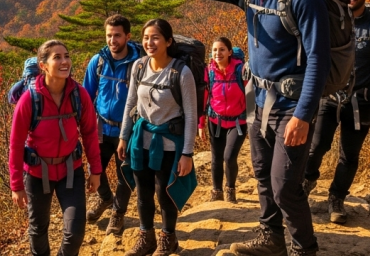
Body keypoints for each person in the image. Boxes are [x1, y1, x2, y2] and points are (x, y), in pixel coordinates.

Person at [110, 0, 329, 256]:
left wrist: (304, 114)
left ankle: (304, 248)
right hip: (258, 101)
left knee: (285, 185)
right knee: (261, 176)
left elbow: (318, 58)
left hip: (290, 105)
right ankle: (271, 238)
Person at [302, 0, 370, 224]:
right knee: (317, 146)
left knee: (349, 155)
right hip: (328, 98)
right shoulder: (330, 22)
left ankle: (336, 199)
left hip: (362, 103)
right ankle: (306, 181)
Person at [9, 40, 102, 256]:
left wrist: (95, 171)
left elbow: (89, 133)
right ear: (43, 65)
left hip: (71, 171)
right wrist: (16, 185)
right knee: (38, 228)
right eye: (57, 57)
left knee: (75, 232)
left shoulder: (79, 95)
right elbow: (15, 144)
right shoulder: (29, 100)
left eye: (66, 56)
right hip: (37, 173)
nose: (64, 61)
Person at [117, 18, 197, 256]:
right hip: (140, 141)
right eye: (145, 37)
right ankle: (146, 237)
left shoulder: (181, 73)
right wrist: (124, 137)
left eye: (155, 37)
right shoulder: (139, 66)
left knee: (164, 193)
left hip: (170, 144)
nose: (149, 42)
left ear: (168, 41)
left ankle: (168, 238)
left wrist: (188, 153)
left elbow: (191, 116)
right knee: (143, 193)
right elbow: (130, 103)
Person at [82, 14, 143, 235]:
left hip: (127, 131)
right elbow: (86, 96)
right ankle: (106, 199)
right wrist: (82, 126)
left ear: (128, 36)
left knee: (124, 175)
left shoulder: (139, 63)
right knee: (93, 167)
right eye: (109, 35)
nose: (112, 40)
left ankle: (118, 213)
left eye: (117, 35)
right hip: (101, 128)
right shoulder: (97, 61)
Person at [201, 37, 248, 204]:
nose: (217, 53)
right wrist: (201, 123)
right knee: (216, 158)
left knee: (229, 156)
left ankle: (230, 189)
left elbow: (251, 95)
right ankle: (217, 191)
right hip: (215, 120)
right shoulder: (210, 72)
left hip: (238, 122)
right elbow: (204, 97)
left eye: (222, 49)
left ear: (230, 52)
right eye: (214, 50)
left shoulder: (240, 70)